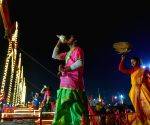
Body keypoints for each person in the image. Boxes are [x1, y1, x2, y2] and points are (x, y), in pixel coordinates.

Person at [52, 34, 89, 125]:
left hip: (74, 83)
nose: (68, 38)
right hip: (64, 83)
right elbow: (54, 55)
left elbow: (80, 62)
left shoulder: (78, 49)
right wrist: (59, 41)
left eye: (71, 37)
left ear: (75, 40)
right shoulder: (67, 53)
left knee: (75, 110)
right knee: (63, 109)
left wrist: (65, 69)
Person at [119, 54, 150, 125]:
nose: (132, 63)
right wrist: (123, 59)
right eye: (131, 62)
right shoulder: (132, 71)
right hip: (134, 93)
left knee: (147, 106)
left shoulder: (144, 70)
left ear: (138, 61)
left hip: (143, 91)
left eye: (133, 61)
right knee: (139, 109)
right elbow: (121, 69)